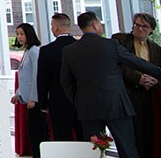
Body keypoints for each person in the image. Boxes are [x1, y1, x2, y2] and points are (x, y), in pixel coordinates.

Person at [61, 12, 161, 158]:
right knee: (127, 149)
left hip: (88, 108)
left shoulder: (69, 51)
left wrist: (78, 101)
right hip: (116, 105)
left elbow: (66, 81)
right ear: (95, 24)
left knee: (93, 152)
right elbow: (136, 62)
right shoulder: (111, 45)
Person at [111, 13, 161, 158]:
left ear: (151, 29)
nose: (139, 29)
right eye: (137, 25)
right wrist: (138, 78)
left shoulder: (156, 49)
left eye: (144, 26)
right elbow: (117, 65)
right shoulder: (120, 40)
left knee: (148, 134)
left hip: (149, 96)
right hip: (126, 94)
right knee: (129, 137)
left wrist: (155, 81)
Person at [37, 13, 81, 142]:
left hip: (58, 102)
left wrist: (43, 103)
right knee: (83, 138)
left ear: (55, 27)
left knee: (62, 139)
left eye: (51, 25)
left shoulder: (47, 50)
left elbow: (42, 80)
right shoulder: (81, 47)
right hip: (82, 101)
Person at [10, 23, 45, 158]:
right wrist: (18, 94)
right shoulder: (27, 51)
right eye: (18, 34)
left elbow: (37, 75)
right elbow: (25, 77)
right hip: (26, 98)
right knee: (33, 132)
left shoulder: (34, 51)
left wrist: (33, 97)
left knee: (37, 132)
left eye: (22, 34)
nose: (19, 37)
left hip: (34, 100)